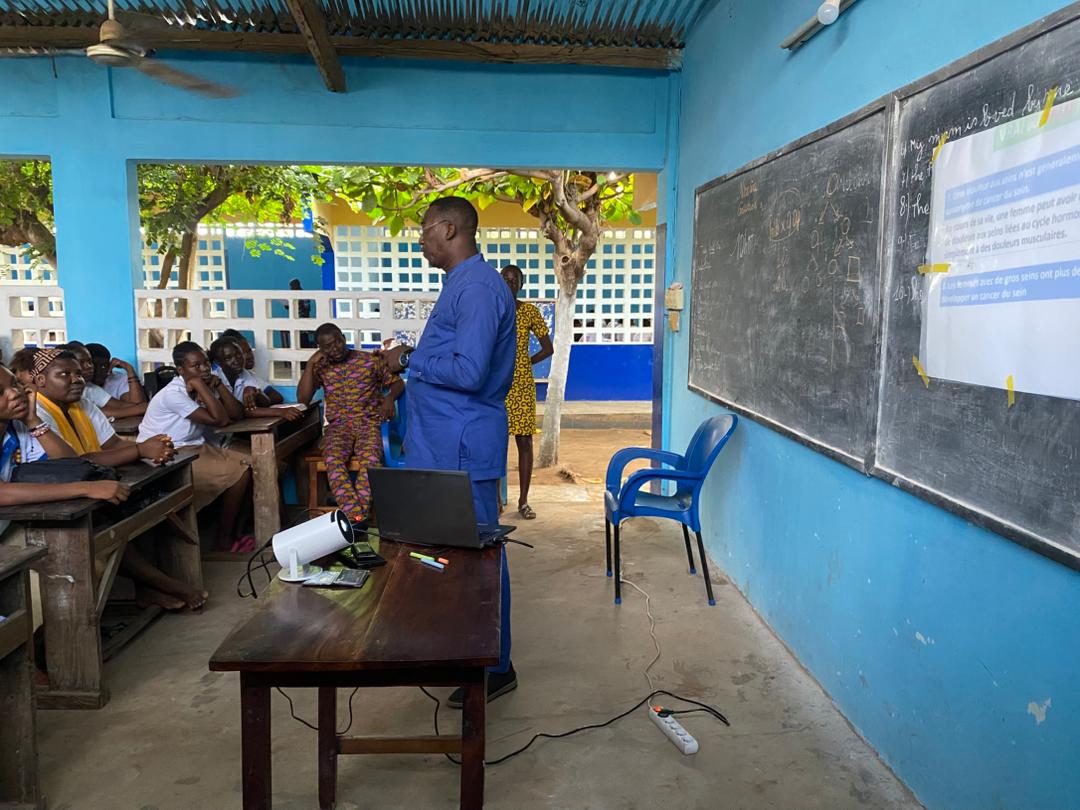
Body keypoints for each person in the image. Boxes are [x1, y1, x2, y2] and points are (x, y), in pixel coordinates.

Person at [379, 197, 518, 706]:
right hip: (444, 445)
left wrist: (410, 358)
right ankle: (467, 651)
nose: (419, 239)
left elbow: (467, 372)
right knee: (452, 558)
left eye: (423, 229)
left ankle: (495, 666)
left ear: (450, 227)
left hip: (461, 446)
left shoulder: (479, 288)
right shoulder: (461, 285)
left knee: (479, 558)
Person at [29, 349, 207, 610]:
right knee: (108, 525)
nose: (76, 379)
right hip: (57, 499)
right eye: (64, 374)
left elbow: (111, 443)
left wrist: (149, 447)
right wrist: (138, 450)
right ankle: (165, 585)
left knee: (146, 504)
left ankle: (148, 589)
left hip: (90, 484)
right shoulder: (39, 414)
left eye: (78, 374)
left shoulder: (83, 405)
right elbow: (72, 464)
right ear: (41, 381)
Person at [138, 341, 255, 553]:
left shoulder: (206, 384)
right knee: (240, 472)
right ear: (181, 370)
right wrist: (202, 386)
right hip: (167, 452)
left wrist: (217, 386)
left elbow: (236, 415)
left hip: (195, 448)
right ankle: (223, 540)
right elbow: (220, 420)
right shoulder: (174, 394)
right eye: (196, 366)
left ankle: (235, 533)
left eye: (206, 364)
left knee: (253, 465)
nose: (203, 370)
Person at [296, 323, 403, 524]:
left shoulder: (369, 360)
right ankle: (357, 516)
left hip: (369, 423)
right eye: (327, 346)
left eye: (337, 341)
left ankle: (354, 519)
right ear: (320, 349)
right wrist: (310, 364)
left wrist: (389, 399)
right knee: (333, 459)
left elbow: (397, 383)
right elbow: (303, 398)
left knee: (372, 460)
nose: (334, 348)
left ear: (343, 338)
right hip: (338, 427)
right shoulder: (320, 367)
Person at [500, 265, 553, 520]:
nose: (510, 283)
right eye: (506, 279)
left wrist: (524, 361)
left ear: (521, 283)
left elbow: (548, 348)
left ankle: (523, 501)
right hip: (495, 384)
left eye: (514, 280)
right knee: (493, 442)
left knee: (524, 441)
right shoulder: (492, 310)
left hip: (520, 383)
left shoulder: (529, 311)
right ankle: (495, 500)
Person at [209, 337, 304, 421]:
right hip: (213, 436)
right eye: (228, 358)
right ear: (218, 362)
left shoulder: (244, 374)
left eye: (239, 354)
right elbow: (236, 413)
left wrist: (256, 392)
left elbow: (265, 403)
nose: (236, 360)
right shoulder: (213, 379)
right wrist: (280, 412)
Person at [62, 341, 146, 419]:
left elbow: (132, 406)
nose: (89, 367)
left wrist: (129, 369)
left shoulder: (90, 388)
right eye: (82, 362)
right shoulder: (60, 389)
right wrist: (143, 408)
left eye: (89, 362)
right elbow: (96, 413)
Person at [220, 329, 286, 405]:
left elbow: (277, 396)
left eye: (249, 350)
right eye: (242, 353)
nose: (249, 356)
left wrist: (257, 396)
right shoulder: (218, 377)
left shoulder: (248, 376)